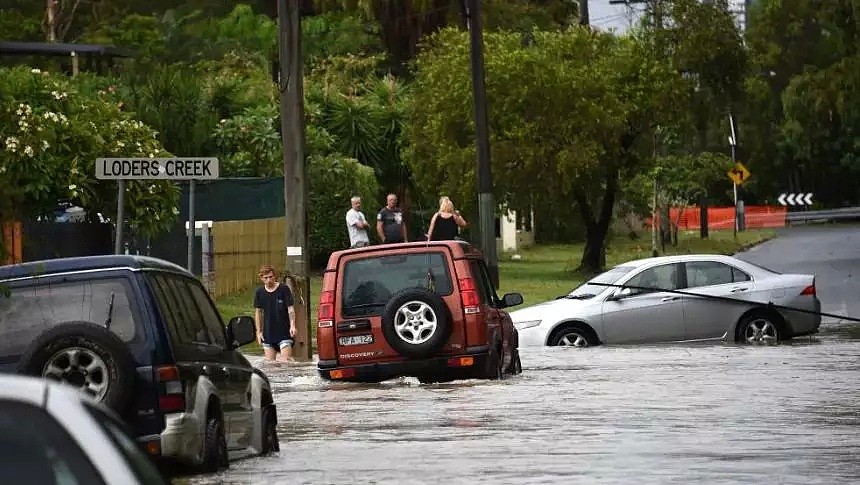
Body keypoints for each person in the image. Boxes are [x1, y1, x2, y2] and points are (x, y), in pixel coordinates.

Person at [253, 264, 296, 362]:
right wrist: (258, 331)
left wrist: (292, 325)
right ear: (261, 278)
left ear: (275, 276)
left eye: (271, 277)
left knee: (285, 362)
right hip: (268, 333)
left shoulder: (283, 289)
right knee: (270, 365)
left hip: (284, 332)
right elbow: (258, 312)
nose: (269, 280)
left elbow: (290, 309)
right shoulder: (259, 292)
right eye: (266, 278)